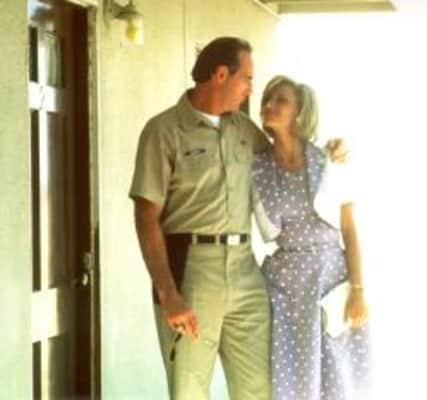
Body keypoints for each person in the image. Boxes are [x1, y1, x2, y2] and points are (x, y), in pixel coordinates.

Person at [129, 37, 347, 400]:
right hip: (192, 272)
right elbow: (145, 215)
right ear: (220, 75)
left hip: (247, 271)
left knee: (260, 389)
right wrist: (168, 292)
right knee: (189, 389)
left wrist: (331, 151)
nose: (251, 89)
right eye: (247, 78)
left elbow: (289, 158)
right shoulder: (163, 131)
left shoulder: (245, 131)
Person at [251, 75, 370, 400]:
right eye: (266, 99)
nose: (269, 105)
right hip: (284, 289)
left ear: (300, 112)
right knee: (290, 383)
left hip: (329, 279)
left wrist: (358, 290)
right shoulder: (257, 167)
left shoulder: (328, 160)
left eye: (280, 100)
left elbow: (349, 230)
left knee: (336, 380)